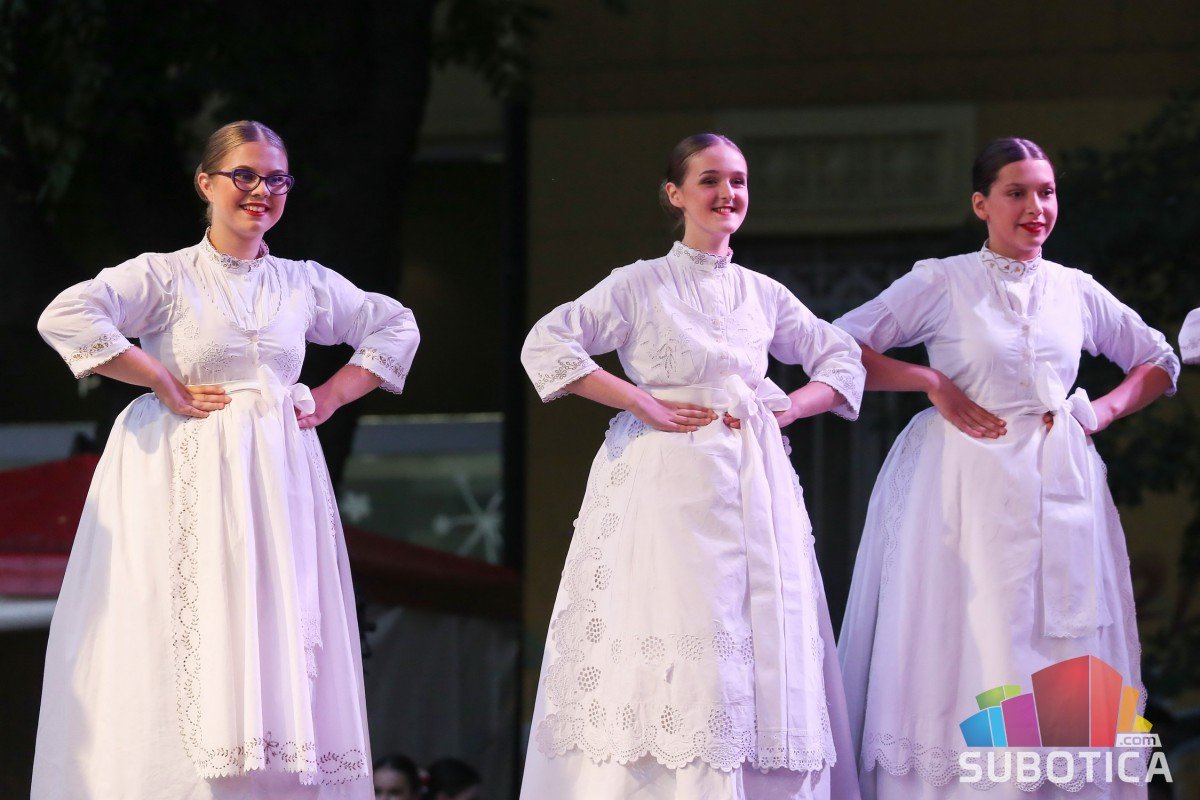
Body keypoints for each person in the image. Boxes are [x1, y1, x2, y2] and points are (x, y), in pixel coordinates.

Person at [33, 120, 420, 799]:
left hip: (276, 478)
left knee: (273, 626)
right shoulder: (165, 275)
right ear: (206, 183)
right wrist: (157, 377)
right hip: (182, 474)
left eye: (276, 179)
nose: (261, 190)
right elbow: (67, 315)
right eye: (245, 175)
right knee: (182, 619)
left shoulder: (302, 283)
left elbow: (394, 324)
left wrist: (331, 395)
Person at [519, 133, 865, 799]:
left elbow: (841, 358)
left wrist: (789, 408)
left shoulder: (762, 293)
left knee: (756, 633)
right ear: (675, 195)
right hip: (667, 484)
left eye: (737, 181)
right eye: (710, 180)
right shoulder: (639, 283)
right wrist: (639, 399)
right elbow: (548, 342)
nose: (727, 193)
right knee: (679, 625)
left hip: (753, 481)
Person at [834, 137, 1178, 799]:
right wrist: (931, 381)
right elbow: (840, 344)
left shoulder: (1073, 289)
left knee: (1061, 646)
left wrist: (1100, 413)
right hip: (968, 488)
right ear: (981, 204)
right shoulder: (944, 280)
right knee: (980, 639)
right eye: (1016, 193)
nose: (1035, 207)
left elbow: (1158, 360)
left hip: (1061, 485)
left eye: (1046, 192)